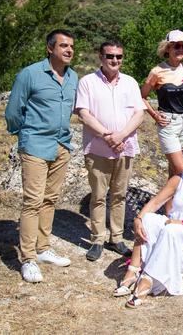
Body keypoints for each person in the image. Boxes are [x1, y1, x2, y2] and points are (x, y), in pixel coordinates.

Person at [114, 137, 183, 307]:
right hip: (173, 225)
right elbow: (155, 203)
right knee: (149, 219)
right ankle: (133, 271)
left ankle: (147, 281)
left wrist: (182, 223)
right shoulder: (179, 179)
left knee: (171, 230)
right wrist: (139, 219)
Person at [5, 29, 78, 283]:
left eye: (71, 46)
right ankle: (28, 259)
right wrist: (24, 135)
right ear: (50, 49)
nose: (69, 50)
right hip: (35, 145)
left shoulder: (73, 78)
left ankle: (43, 247)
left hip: (61, 145)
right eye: (63, 46)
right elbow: (14, 110)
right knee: (33, 202)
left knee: (50, 200)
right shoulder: (30, 74)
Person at [75, 40, 146, 261]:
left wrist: (121, 135)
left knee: (119, 195)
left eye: (119, 57)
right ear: (101, 57)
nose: (115, 60)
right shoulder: (88, 82)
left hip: (125, 148)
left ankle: (115, 238)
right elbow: (84, 114)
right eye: (110, 56)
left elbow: (139, 114)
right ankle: (97, 239)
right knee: (97, 196)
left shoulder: (131, 83)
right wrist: (108, 136)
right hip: (97, 148)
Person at [142, 30, 183, 177]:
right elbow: (142, 96)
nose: (180, 49)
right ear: (167, 48)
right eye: (176, 46)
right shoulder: (157, 71)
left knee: (175, 173)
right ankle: (159, 201)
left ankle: (171, 200)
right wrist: (154, 115)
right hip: (167, 123)